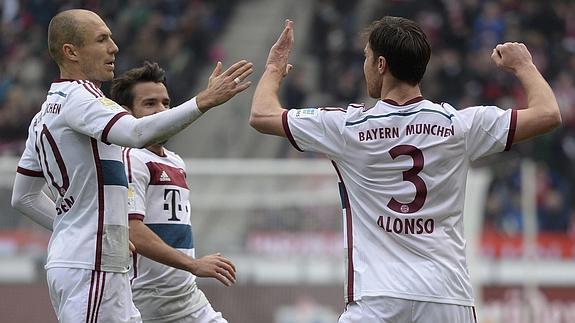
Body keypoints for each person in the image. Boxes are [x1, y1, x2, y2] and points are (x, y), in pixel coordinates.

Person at [249, 18, 561, 323]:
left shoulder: (348, 128)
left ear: (381, 64)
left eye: (367, 58)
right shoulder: (459, 126)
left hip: (377, 298)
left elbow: (262, 115)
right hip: (446, 297)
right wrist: (524, 65)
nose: (365, 66)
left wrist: (275, 67)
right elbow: (548, 114)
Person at [11, 9, 252, 323]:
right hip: (93, 266)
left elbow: (23, 197)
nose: (114, 47)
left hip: (82, 263)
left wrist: (78, 225)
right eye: (102, 39)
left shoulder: (44, 113)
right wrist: (203, 101)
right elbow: (137, 133)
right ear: (71, 52)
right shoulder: (82, 98)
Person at [110, 61, 234, 323]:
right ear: (126, 113)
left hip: (185, 295)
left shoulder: (175, 161)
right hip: (146, 299)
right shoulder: (131, 157)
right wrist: (193, 264)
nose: (162, 110)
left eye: (165, 103)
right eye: (150, 104)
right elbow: (132, 230)